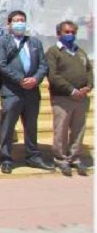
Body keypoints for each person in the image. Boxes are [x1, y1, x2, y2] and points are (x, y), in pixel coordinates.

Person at [0, 10, 52, 174]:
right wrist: (20, 80)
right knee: (8, 126)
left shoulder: (34, 42)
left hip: (32, 91)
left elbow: (43, 65)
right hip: (12, 91)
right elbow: (1, 64)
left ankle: (33, 156)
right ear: (9, 24)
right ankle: (5, 158)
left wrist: (35, 79)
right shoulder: (3, 41)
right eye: (16, 20)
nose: (19, 23)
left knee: (31, 126)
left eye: (22, 20)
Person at [45, 21, 93, 176]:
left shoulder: (80, 52)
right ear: (59, 33)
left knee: (79, 129)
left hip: (82, 98)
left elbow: (89, 71)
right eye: (67, 32)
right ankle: (60, 158)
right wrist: (71, 90)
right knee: (61, 129)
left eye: (73, 32)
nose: (70, 35)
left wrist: (89, 86)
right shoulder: (53, 52)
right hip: (63, 98)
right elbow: (53, 75)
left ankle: (75, 157)